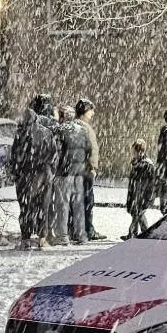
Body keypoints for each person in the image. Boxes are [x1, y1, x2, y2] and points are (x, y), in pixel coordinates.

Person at [11, 94, 58, 250]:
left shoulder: (21, 134)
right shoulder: (46, 132)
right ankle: (42, 238)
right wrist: (50, 171)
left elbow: (15, 156)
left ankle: (25, 238)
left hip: (26, 175)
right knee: (43, 206)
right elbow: (53, 155)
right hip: (44, 174)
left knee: (25, 207)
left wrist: (16, 173)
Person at [54, 105, 92, 244]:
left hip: (64, 172)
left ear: (63, 117)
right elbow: (88, 149)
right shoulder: (82, 130)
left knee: (62, 204)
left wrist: (57, 167)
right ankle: (81, 234)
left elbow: (57, 151)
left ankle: (62, 236)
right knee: (78, 205)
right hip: (79, 173)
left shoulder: (60, 130)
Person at [75, 98, 103, 241]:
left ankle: (84, 229)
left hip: (84, 169)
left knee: (84, 201)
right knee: (87, 201)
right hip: (86, 170)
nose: (92, 113)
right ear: (85, 111)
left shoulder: (81, 126)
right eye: (91, 110)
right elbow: (88, 149)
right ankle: (87, 229)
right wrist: (92, 167)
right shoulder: (83, 128)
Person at [125, 140, 164, 239]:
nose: (134, 154)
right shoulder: (137, 163)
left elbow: (150, 183)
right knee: (137, 214)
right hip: (136, 193)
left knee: (139, 214)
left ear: (140, 151)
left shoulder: (146, 165)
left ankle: (139, 233)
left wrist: (149, 195)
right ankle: (138, 233)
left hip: (142, 194)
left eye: (135, 151)